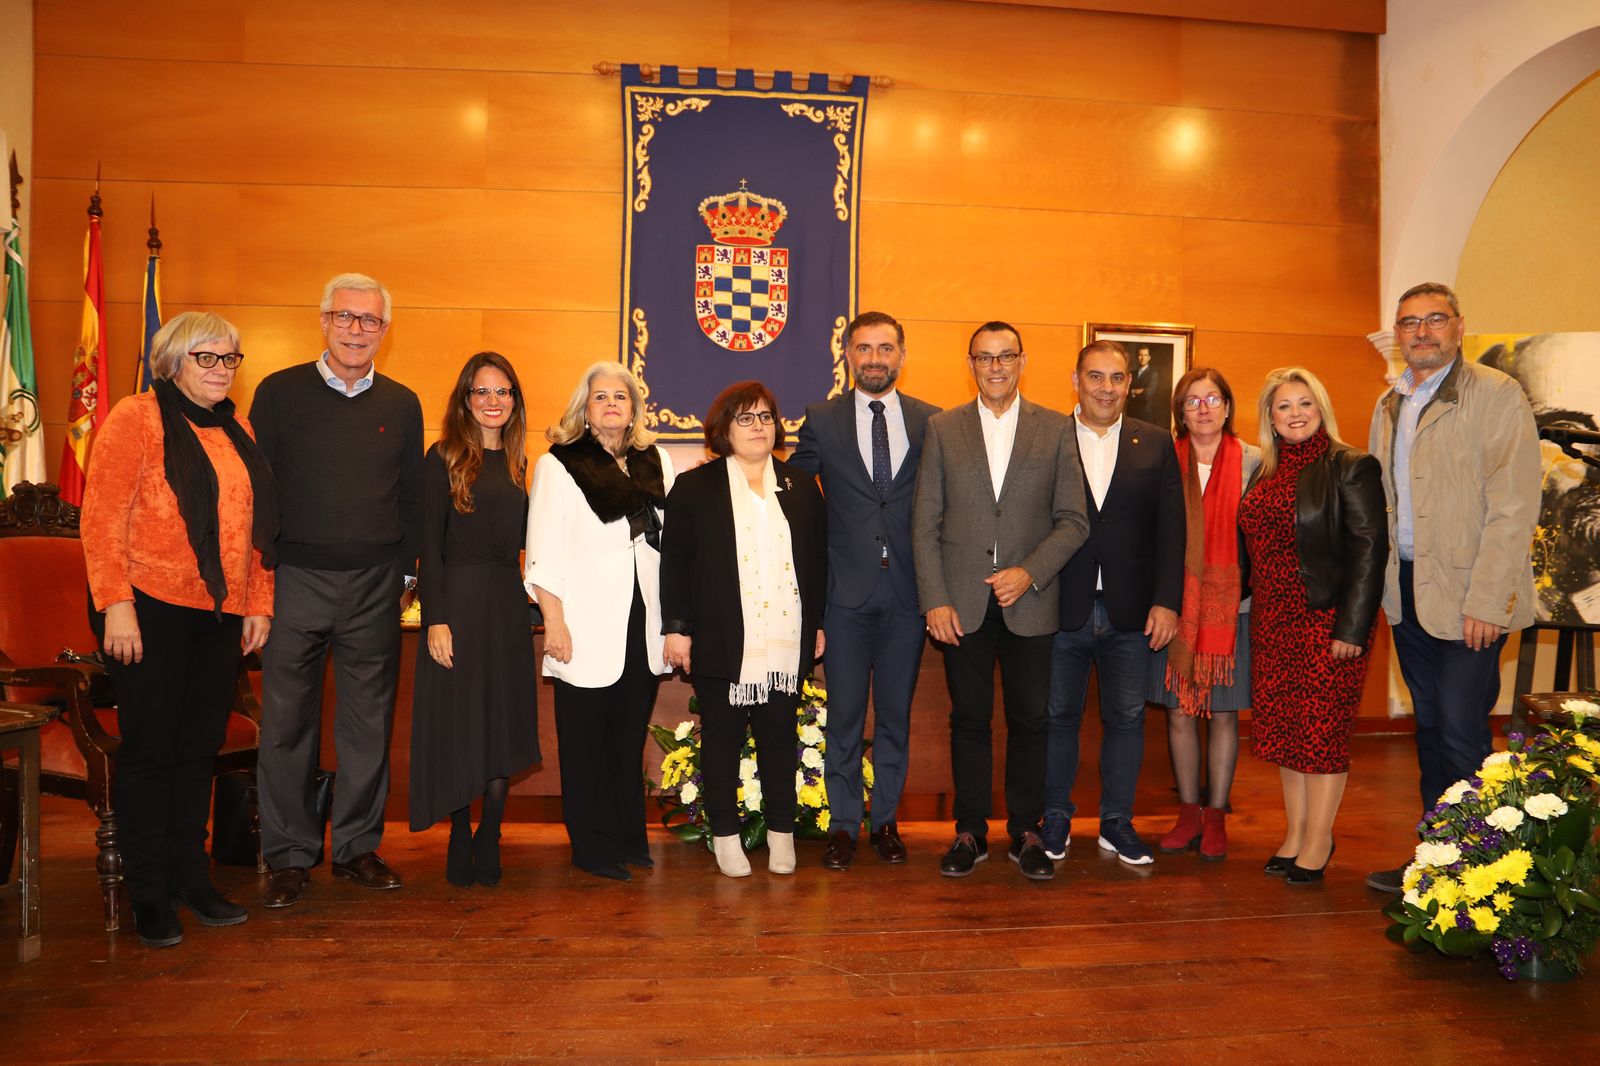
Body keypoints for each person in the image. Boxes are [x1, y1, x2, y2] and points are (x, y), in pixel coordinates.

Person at [80, 311, 276, 947]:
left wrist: (257, 603)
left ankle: (193, 878)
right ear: (172, 361)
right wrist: (115, 603)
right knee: (151, 751)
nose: (220, 370)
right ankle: (149, 891)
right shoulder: (135, 418)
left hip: (217, 614)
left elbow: (254, 531)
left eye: (229, 359)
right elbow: (102, 517)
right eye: (206, 358)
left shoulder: (238, 429)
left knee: (200, 750)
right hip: (146, 605)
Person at [250, 273, 424, 908]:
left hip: (376, 583)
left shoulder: (403, 404)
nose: (356, 330)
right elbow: (257, 491)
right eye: (345, 318)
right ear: (322, 321)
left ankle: (356, 847)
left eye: (369, 321)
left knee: (367, 724)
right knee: (286, 723)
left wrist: (406, 572)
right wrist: (260, 577)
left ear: (384, 330)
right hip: (294, 577)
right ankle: (289, 854)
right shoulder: (277, 393)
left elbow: (409, 497)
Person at [1364, 283, 1541, 893]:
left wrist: (1489, 601)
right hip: (1409, 590)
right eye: (1409, 322)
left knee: (1464, 732)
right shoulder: (1390, 402)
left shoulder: (1496, 395)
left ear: (1459, 327)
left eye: (1434, 319)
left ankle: (1479, 875)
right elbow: (1383, 504)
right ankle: (1435, 859)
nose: (1422, 331)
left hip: (1472, 597)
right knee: (1430, 727)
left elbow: (1514, 506)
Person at [912, 321, 1089, 882]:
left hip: (1030, 601)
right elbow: (924, 523)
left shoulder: (1058, 429)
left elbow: (1074, 520)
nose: (995, 367)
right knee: (968, 720)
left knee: (1031, 720)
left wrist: (1029, 571)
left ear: (1021, 361)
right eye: (984, 357)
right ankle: (969, 832)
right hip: (960, 604)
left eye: (1005, 356)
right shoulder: (943, 428)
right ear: (970, 364)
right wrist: (934, 599)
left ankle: (1025, 832)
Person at [789, 311, 939, 870]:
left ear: (902, 354)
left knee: (895, 716)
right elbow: (795, 494)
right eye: (863, 348)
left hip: (908, 594)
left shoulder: (932, 422)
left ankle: (887, 823)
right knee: (846, 717)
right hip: (845, 596)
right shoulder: (821, 420)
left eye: (885, 348)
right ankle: (845, 825)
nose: (874, 358)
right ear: (847, 355)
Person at [659, 381, 826, 878]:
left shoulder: (800, 487)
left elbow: (816, 565)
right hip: (721, 639)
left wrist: (816, 626)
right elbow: (677, 565)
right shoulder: (696, 487)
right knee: (723, 741)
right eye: (746, 418)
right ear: (724, 429)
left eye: (766, 417)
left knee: (779, 738)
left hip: (785, 638)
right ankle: (727, 838)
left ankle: (781, 834)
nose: (759, 427)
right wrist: (677, 629)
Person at [525, 362, 674, 882]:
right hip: (583, 622)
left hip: (643, 620)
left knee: (626, 736)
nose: (612, 404)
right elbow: (542, 553)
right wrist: (554, 623)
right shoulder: (559, 465)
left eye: (621, 397)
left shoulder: (656, 463)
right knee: (585, 740)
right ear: (584, 411)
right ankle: (591, 844)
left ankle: (628, 836)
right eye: (600, 397)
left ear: (634, 408)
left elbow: (672, 548)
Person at [1239, 367, 1386, 885]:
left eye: (1306, 403)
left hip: (1327, 622)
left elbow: (1370, 550)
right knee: (1285, 731)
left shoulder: (1351, 466)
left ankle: (1319, 838)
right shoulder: (1265, 470)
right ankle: (1296, 832)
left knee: (1321, 733)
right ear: (1270, 417)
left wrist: (1351, 628)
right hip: (1273, 621)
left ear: (1320, 408)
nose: (1295, 413)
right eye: (1284, 406)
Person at [1041, 340, 1184, 868]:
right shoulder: (1048, 437)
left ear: (1129, 383)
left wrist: (1167, 602)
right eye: (1095, 376)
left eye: (1116, 378)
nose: (1106, 387)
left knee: (1126, 719)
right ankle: (1054, 816)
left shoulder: (1155, 442)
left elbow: (1173, 530)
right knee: (1058, 718)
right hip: (1060, 608)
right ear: (1076, 379)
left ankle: (1116, 823)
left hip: (1131, 613)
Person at [409, 352, 540, 888]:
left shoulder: (518, 464)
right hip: (457, 604)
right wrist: (435, 619)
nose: (493, 401)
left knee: (500, 719)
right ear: (465, 400)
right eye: (482, 392)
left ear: (514, 401)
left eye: (503, 391)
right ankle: (460, 831)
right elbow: (428, 550)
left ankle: (491, 833)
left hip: (505, 607)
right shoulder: (441, 457)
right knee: (460, 723)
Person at [1149, 368, 1260, 861]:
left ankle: (1216, 815)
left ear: (1229, 407)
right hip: (1174, 609)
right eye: (1192, 401)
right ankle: (1188, 812)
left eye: (1213, 398)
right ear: (1180, 412)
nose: (1204, 408)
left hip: (1233, 609)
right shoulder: (1160, 460)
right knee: (1177, 713)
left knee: (1222, 715)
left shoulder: (1256, 460)